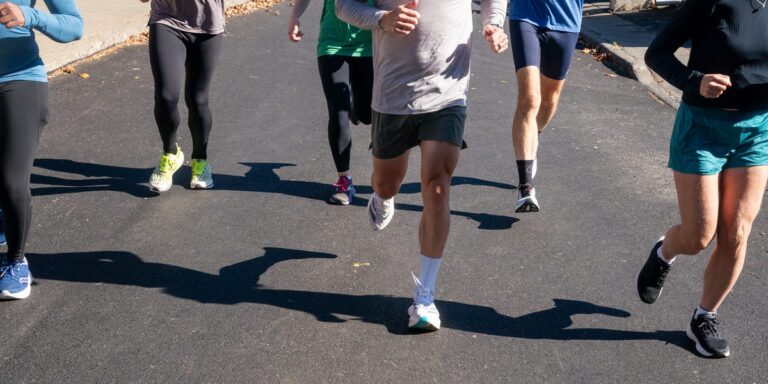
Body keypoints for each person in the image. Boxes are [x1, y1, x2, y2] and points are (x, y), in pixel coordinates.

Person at [336, 0, 508, 331]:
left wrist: (495, 24)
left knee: (438, 185)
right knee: (387, 182)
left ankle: (425, 296)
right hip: (393, 93)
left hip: (448, 91)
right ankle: (383, 196)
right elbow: (344, 6)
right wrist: (382, 18)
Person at [637, 0, 768, 358]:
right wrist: (695, 82)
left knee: (736, 233)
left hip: (758, 130)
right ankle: (665, 251)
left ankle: (704, 317)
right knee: (698, 236)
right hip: (702, 128)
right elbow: (656, 53)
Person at [0, 0, 83, 299]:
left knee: (11, 182)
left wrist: (29, 16)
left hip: (18, 78)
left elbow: (75, 26)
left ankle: (16, 262)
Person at [288, 0, 374, 205]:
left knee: (368, 114)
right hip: (332, 43)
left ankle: (357, 107)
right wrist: (295, 16)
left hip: (370, 43)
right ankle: (345, 180)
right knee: (338, 110)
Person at [140, 0, 225, 192]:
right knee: (166, 95)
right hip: (167, 20)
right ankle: (170, 153)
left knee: (198, 99)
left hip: (208, 25)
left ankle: (200, 160)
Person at [507, 0, 584, 212]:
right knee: (530, 98)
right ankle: (526, 187)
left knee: (549, 100)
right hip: (525, 15)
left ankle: (534, 135)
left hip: (566, 21)